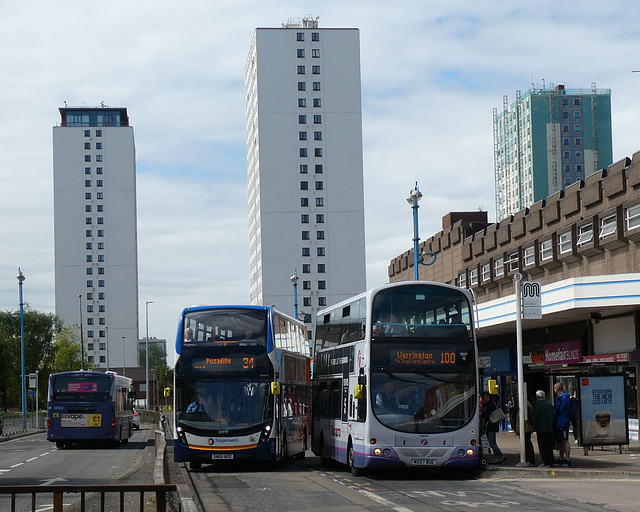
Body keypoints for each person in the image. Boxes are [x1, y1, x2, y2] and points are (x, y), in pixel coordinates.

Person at [532, 389, 556, 467]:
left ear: (537, 397)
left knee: (543, 446)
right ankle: (551, 460)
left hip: (541, 428)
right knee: (549, 445)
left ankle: (546, 461)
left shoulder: (537, 404)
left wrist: (534, 426)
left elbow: (535, 417)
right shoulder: (549, 404)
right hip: (549, 428)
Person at [482, 391, 506, 464]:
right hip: (493, 425)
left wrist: (482, 415)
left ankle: (501, 455)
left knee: (491, 443)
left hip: (491, 426)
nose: (483, 398)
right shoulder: (489, 404)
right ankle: (496, 458)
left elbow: (487, 415)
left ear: (488, 397)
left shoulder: (490, 404)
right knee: (494, 443)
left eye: (484, 396)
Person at [553, 382, 572, 467]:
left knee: (565, 440)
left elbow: (560, 410)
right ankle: (561, 457)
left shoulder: (564, 398)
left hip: (564, 422)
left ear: (557, 389)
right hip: (559, 423)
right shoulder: (559, 398)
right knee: (560, 441)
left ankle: (567, 458)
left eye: (554, 388)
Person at [515, 397, 535, 465]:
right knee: (527, 443)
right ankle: (529, 458)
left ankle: (529, 459)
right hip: (526, 427)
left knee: (527, 444)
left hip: (525, 428)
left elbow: (528, 417)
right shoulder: (526, 404)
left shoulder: (525, 405)